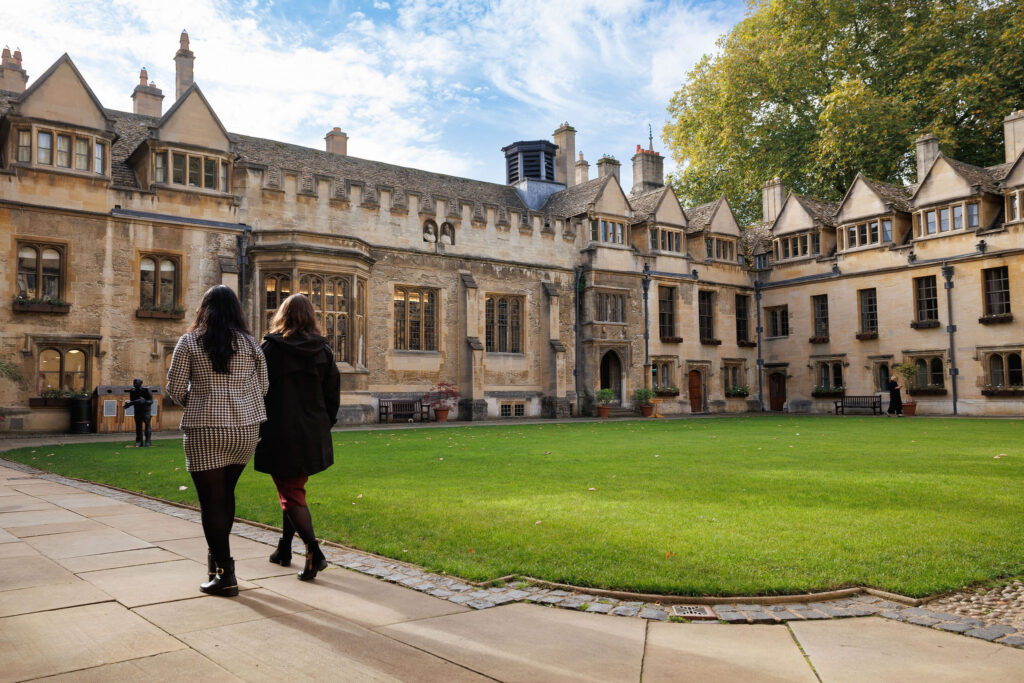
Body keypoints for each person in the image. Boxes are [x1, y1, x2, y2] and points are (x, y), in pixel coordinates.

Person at [166, 285, 268, 597]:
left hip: (205, 427)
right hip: (245, 429)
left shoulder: (189, 342)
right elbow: (263, 386)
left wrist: (197, 401)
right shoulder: (250, 343)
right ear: (237, 310)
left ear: (204, 309)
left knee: (211, 502)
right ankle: (216, 563)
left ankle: (225, 573)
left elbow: (174, 387)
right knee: (226, 495)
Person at [254, 293, 340, 581]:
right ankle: (284, 549)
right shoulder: (323, 350)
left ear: (282, 315)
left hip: (281, 430)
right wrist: (323, 424)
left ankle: (314, 553)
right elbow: (332, 394)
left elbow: (258, 390)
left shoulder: (269, 349)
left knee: (290, 492)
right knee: (291, 489)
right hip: (312, 430)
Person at [124, 378, 153, 447]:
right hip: (137, 410)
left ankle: (148, 441)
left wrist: (144, 401)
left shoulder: (146, 390)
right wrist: (129, 404)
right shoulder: (132, 391)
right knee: (138, 426)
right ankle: (139, 441)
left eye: (136, 383)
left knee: (147, 424)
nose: (135, 384)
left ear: (141, 383)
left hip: (146, 410)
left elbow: (151, 401)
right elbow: (132, 401)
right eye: (134, 383)